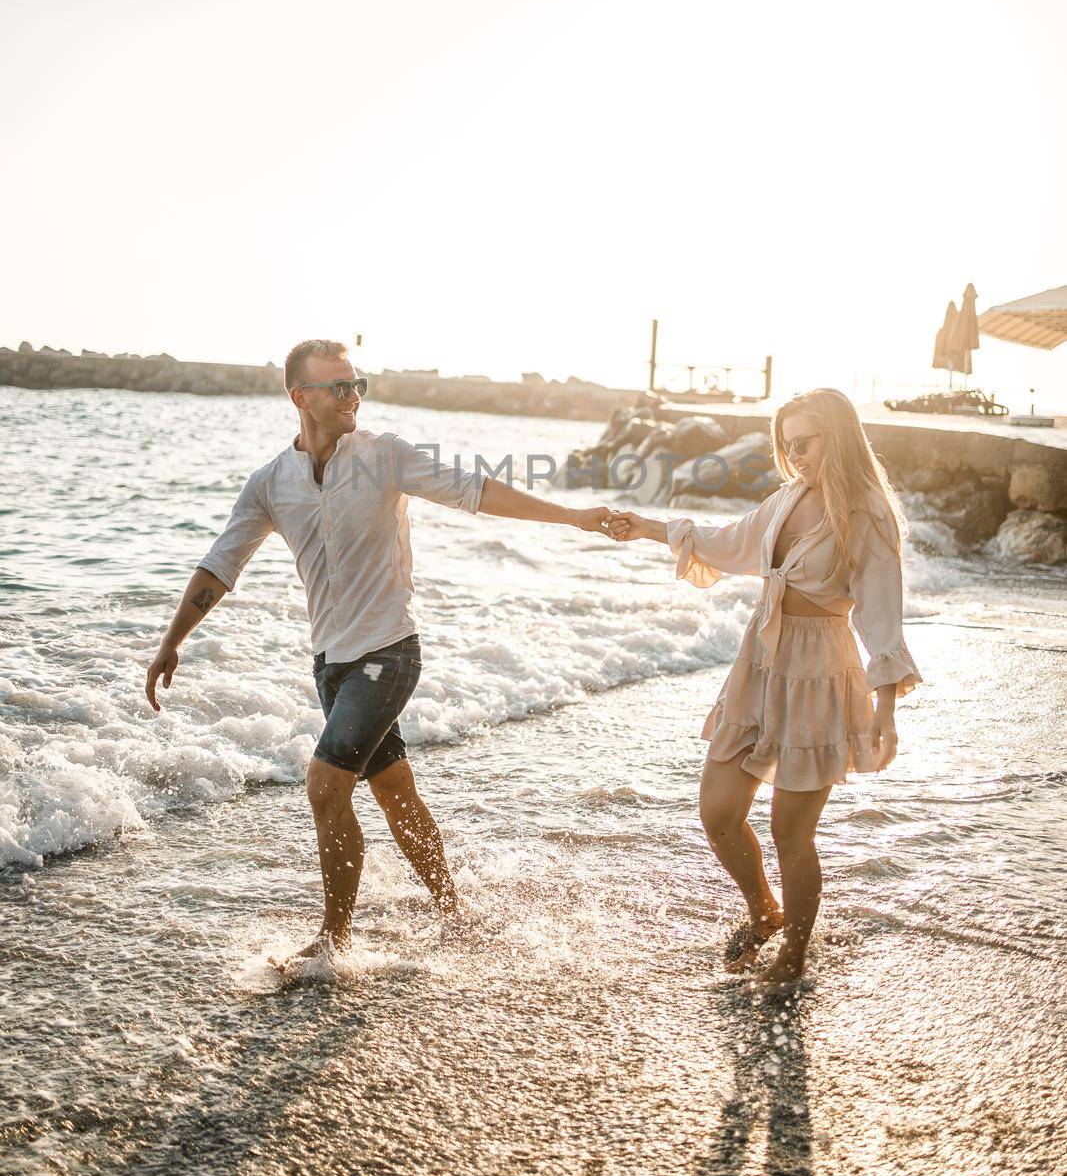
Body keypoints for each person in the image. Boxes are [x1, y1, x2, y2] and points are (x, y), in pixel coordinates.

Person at [145, 338, 613, 966]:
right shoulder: (270, 484)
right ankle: (453, 908)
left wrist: (575, 518)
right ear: (300, 397)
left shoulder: (384, 456)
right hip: (331, 664)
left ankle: (333, 940)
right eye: (338, 386)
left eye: (357, 383)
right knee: (395, 791)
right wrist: (172, 641)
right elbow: (220, 566)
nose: (353, 396)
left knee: (324, 784)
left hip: (389, 652)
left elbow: (477, 491)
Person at [605, 388, 921, 991]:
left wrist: (885, 708)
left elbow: (881, 615)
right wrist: (648, 527)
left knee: (789, 832)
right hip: (759, 662)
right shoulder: (787, 498)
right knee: (718, 812)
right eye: (788, 445)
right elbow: (727, 543)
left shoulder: (867, 514)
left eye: (805, 443)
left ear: (840, 436)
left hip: (820, 674)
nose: (796, 456)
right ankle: (763, 909)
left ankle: (795, 953)